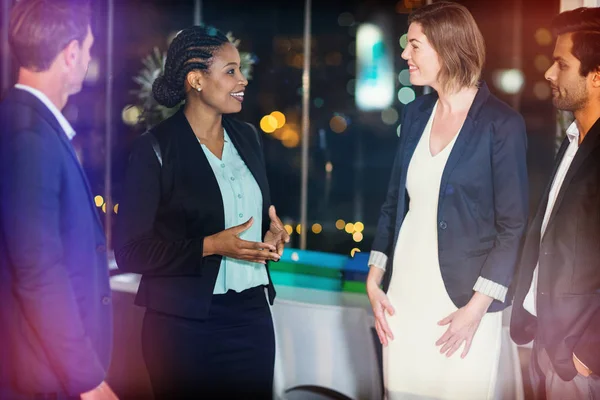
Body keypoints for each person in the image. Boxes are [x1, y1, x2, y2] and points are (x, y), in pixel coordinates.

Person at [113, 25, 289, 399]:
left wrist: (270, 237)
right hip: (182, 328)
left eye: (240, 70)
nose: (242, 80)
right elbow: (130, 252)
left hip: (252, 317)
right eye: (230, 71)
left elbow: (248, 222)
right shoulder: (155, 148)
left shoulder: (248, 137)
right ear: (196, 80)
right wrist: (209, 246)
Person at [366, 2, 529, 399]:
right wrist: (373, 278)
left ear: (447, 48)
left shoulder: (501, 124)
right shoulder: (415, 113)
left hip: (464, 303)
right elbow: (393, 203)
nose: (405, 54)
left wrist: (475, 311)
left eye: (415, 45)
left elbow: (512, 227)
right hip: (404, 296)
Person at [0, 1, 117, 399]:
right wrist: (86, 378)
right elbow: (39, 273)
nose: (88, 56)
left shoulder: (20, 122)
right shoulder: (30, 137)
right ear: (70, 54)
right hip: (42, 376)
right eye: (88, 47)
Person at [510, 7, 600, 400]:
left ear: (597, 76)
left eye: (562, 64)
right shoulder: (572, 142)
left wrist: (588, 353)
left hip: (580, 361)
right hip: (549, 344)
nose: (549, 73)